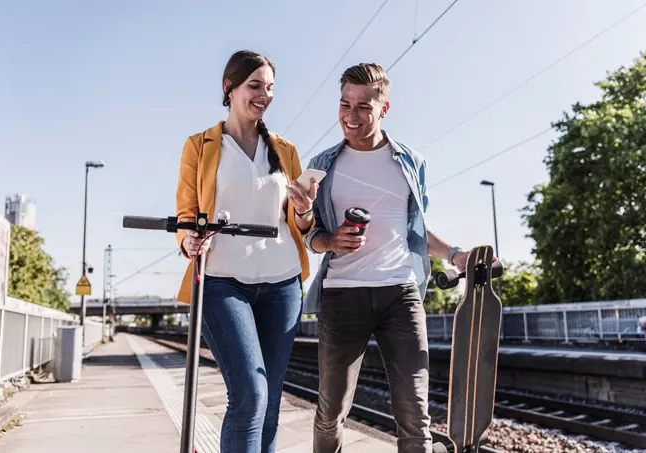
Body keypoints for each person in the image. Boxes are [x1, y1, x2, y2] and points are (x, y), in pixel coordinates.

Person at [303, 62, 486, 453]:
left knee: (414, 413)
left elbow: (415, 231)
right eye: (344, 105)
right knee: (331, 409)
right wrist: (330, 242)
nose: (350, 116)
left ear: (384, 108)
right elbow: (309, 237)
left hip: (399, 294)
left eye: (362, 107)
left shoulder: (409, 162)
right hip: (342, 294)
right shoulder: (322, 165)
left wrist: (456, 254)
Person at [174, 49, 317, 453]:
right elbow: (185, 215)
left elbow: (300, 225)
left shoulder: (284, 149)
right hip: (221, 281)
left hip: (283, 284)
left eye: (270, 88)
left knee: (270, 403)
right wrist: (188, 240)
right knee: (251, 396)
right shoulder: (200, 145)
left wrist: (306, 209)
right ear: (229, 88)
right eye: (255, 86)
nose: (264, 95)